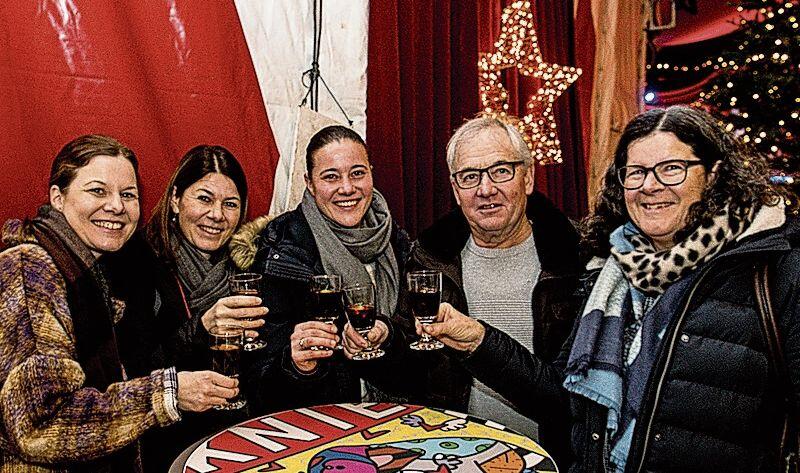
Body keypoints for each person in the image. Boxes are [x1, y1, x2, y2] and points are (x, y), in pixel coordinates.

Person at [420, 106, 800, 472]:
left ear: (714, 175)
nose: (650, 186)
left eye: (672, 169)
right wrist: (479, 343)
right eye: (636, 172)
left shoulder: (772, 269)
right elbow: (564, 399)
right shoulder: (607, 274)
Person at [0, 135, 238, 472]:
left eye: (128, 195)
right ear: (58, 196)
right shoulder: (31, 269)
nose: (116, 206)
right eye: (98, 191)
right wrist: (166, 393)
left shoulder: (87, 271)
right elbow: (40, 423)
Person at [396, 116, 582, 464]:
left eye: (500, 170)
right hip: (453, 456)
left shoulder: (578, 259)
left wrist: (479, 341)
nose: (485, 189)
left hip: (554, 459)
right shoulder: (430, 257)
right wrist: (378, 339)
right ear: (455, 190)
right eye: (470, 176)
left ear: (527, 177)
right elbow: (408, 369)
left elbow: (577, 396)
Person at [105, 145, 267, 471]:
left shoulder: (248, 268)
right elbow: (128, 373)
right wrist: (201, 328)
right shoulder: (134, 261)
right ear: (176, 199)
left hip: (240, 441)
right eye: (204, 199)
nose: (217, 215)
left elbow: (259, 370)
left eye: (230, 204)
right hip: (162, 449)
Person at [230, 125, 411, 413]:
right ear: (310, 184)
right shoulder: (280, 252)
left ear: (371, 174)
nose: (347, 188)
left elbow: (424, 362)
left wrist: (387, 336)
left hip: (393, 420)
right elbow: (257, 385)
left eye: (357, 173)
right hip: (318, 430)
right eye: (331, 177)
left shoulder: (397, 242)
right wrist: (296, 366)